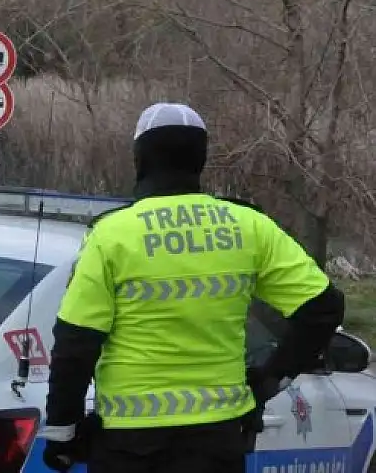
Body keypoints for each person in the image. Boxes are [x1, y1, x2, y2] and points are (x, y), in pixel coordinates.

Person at [39, 102, 345, 473]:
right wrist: (269, 378)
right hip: (218, 440)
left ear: (140, 159)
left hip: (131, 444)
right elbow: (322, 307)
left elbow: (76, 340)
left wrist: (62, 432)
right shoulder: (248, 227)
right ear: (201, 158)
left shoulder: (112, 235)